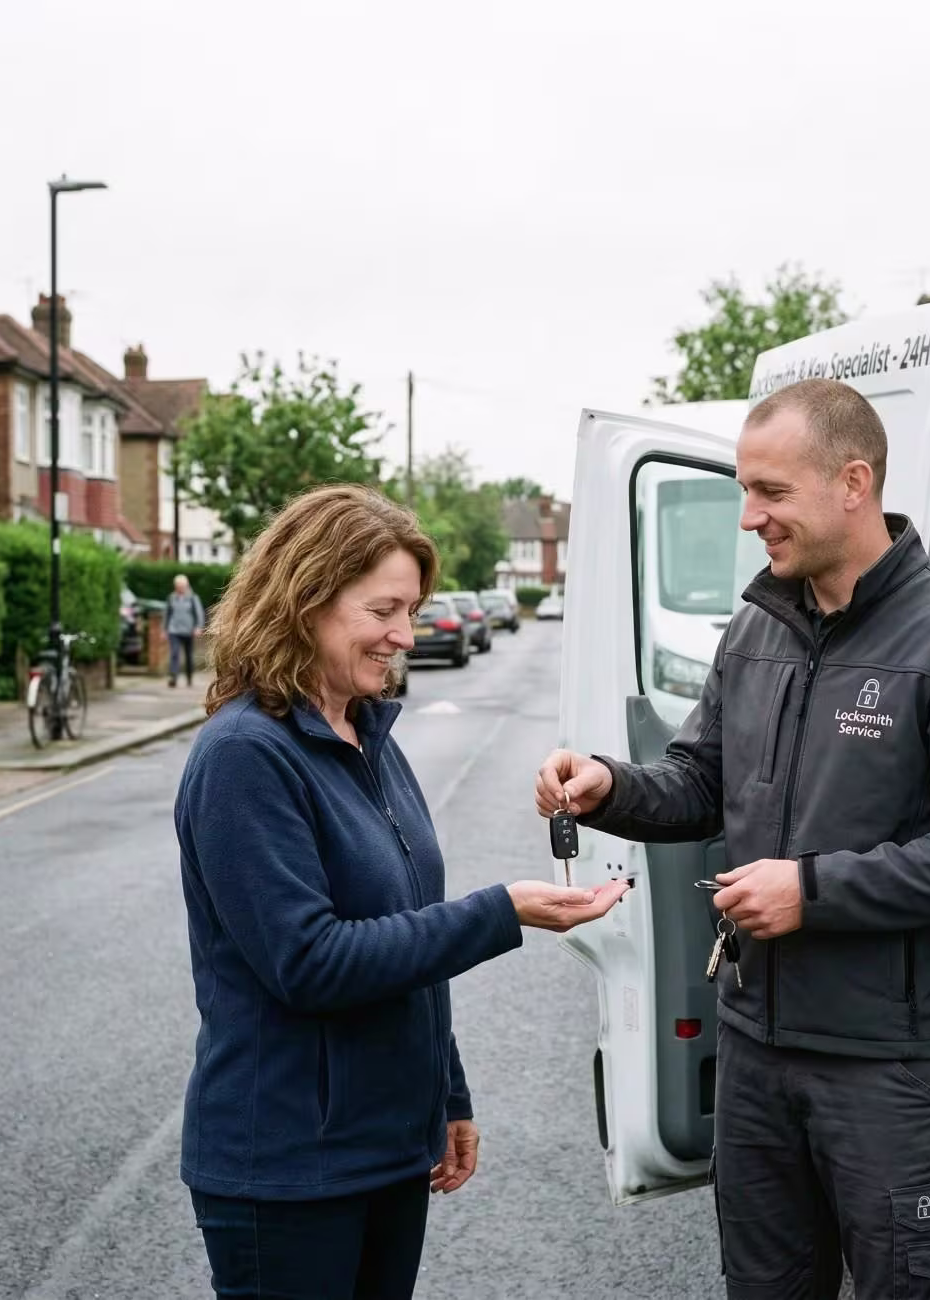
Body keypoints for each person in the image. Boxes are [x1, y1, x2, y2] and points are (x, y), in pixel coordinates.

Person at [536, 378, 930, 1299]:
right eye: (744, 489)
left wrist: (810, 892)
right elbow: (699, 784)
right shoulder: (755, 633)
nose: (748, 518)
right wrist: (608, 784)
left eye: (770, 492)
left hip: (889, 1071)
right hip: (757, 1051)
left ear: (854, 484)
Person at [175, 484, 628, 1300]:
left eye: (412, 610)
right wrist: (504, 910)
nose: (405, 635)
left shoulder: (366, 734)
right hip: (288, 1171)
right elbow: (308, 962)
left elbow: (405, 931)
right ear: (305, 597)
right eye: (384, 609)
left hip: (386, 1148)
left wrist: (443, 1093)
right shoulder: (245, 757)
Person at [165, 574, 206, 687]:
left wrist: (198, 627)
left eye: (182, 586)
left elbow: (199, 613)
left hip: (188, 631)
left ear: (186, 586)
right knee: (174, 653)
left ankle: (189, 677)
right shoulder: (172, 597)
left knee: (188, 655)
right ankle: (173, 677)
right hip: (174, 630)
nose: (180, 588)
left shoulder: (193, 598)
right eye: (178, 586)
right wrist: (165, 629)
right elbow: (167, 614)